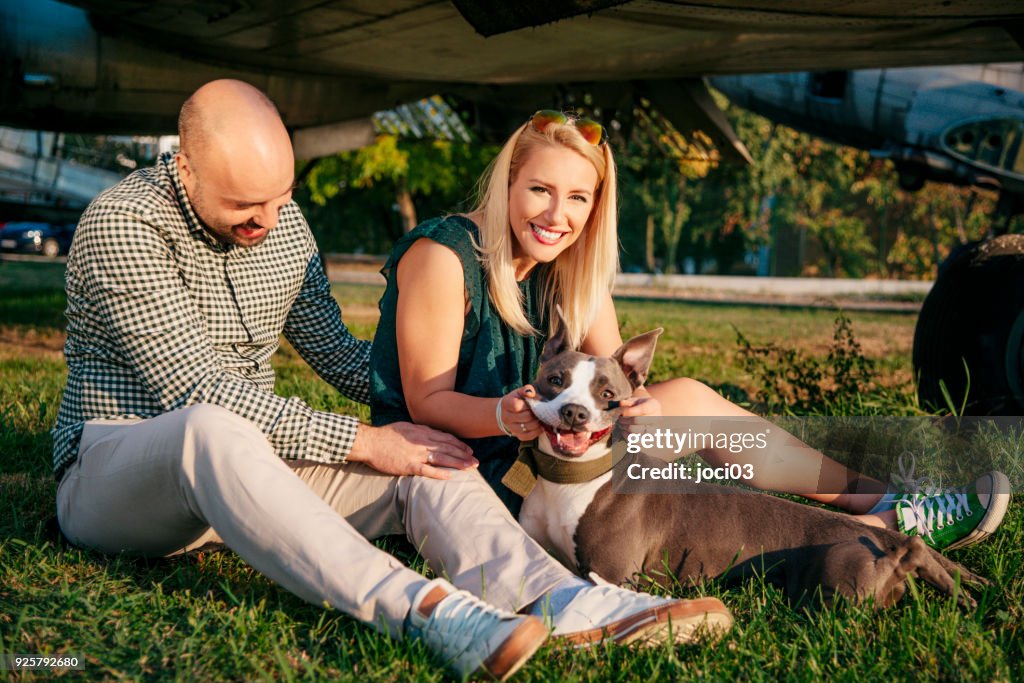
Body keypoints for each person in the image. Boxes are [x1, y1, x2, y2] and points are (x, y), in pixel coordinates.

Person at [52, 83, 736, 681]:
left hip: (250, 468)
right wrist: (363, 440)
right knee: (213, 427)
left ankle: (563, 600)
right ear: (184, 166)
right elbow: (198, 392)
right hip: (121, 467)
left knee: (432, 457)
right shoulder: (123, 224)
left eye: (281, 196)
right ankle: (428, 611)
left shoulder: (283, 226)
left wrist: (419, 405)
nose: (268, 219)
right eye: (244, 204)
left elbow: (341, 355)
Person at [370, 109, 1010, 552]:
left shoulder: (571, 267)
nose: (556, 215)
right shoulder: (445, 256)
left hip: (557, 451)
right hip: (466, 468)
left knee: (689, 404)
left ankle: (881, 505)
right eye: (540, 188)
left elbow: (617, 378)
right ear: (508, 182)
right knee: (686, 483)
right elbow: (429, 402)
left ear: (597, 206)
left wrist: (641, 409)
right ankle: (878, 528)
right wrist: (514, 417)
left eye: (578, 198)